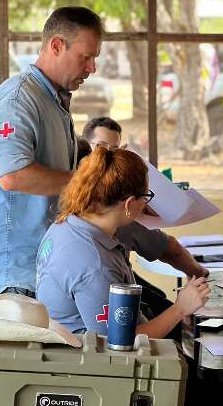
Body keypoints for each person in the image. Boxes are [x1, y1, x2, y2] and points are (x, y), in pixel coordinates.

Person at [36, 147, 223, 406]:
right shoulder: (92, 262)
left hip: (92, 350)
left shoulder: (75, 222)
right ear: (128, 203)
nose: (147, 210)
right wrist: (181, 307)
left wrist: (196, 275)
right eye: (145, 199)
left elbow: (166, 247)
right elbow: (118, 346)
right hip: (97, 371)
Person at [0, 6, 103, 312]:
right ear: (56, 45)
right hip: (9, 282)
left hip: (37, 271)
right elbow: (13, 175)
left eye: (95, 58)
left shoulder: (53, 101)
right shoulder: (18, 99)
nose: (92, 68)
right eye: (86, 57)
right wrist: (88, 180)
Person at [80, 116, 208, 318]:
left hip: (118, 281)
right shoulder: (114, 208)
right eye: (101, 148)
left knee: (157, 298)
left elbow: (167, 248)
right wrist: (182, 307)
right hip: (107, 296)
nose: (109, 158)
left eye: (115, 151)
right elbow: (126, 338)